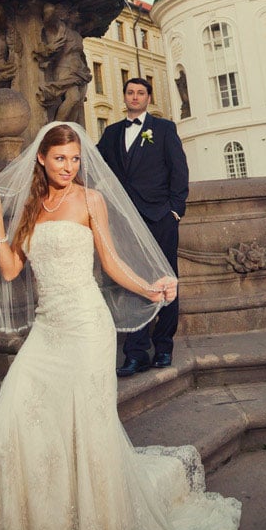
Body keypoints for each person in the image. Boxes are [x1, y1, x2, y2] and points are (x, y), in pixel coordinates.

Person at [0, 121, 245, 530]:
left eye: (74, 159)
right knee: (10, 421)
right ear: (41, 161)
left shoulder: (92, 201)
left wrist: (151, 288)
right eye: (60, 160)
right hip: (47, 333)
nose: (69, 167)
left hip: (86, 329)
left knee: (87, 440)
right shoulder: (28, 208)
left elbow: (112, 263)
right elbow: (10, 271)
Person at [97, 78, 189, 376]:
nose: (134, 97)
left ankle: (163, 348)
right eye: (130, 92)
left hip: (159, 217)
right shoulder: (111, 134)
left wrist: (175, 211)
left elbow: (179, 170)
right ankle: (135, 353)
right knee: (130, 282)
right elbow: (94, 167)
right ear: (124, 97)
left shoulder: (163, 130)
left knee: (166, 282)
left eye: (140, 93)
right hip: (125, 222)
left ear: (148, 97)